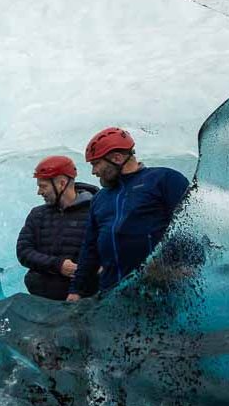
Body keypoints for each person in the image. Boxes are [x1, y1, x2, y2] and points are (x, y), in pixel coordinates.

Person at [67, 127, 190, 301]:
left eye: (96, 164)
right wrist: (76, 291)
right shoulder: (100, 198)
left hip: (161, 291)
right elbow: (90, 248)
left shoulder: (165, 179)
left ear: (117, 158)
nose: (94, 172)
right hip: (113, 295)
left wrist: (178, 266)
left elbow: (192, 225)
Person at [16, 155, 98, 301]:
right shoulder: (38, 214)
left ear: (61, 183)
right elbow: (24, 252)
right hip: (40, 301)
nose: (39, 192)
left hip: (82, 303)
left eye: (43, 186)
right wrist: (58, 265)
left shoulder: (95, 212)